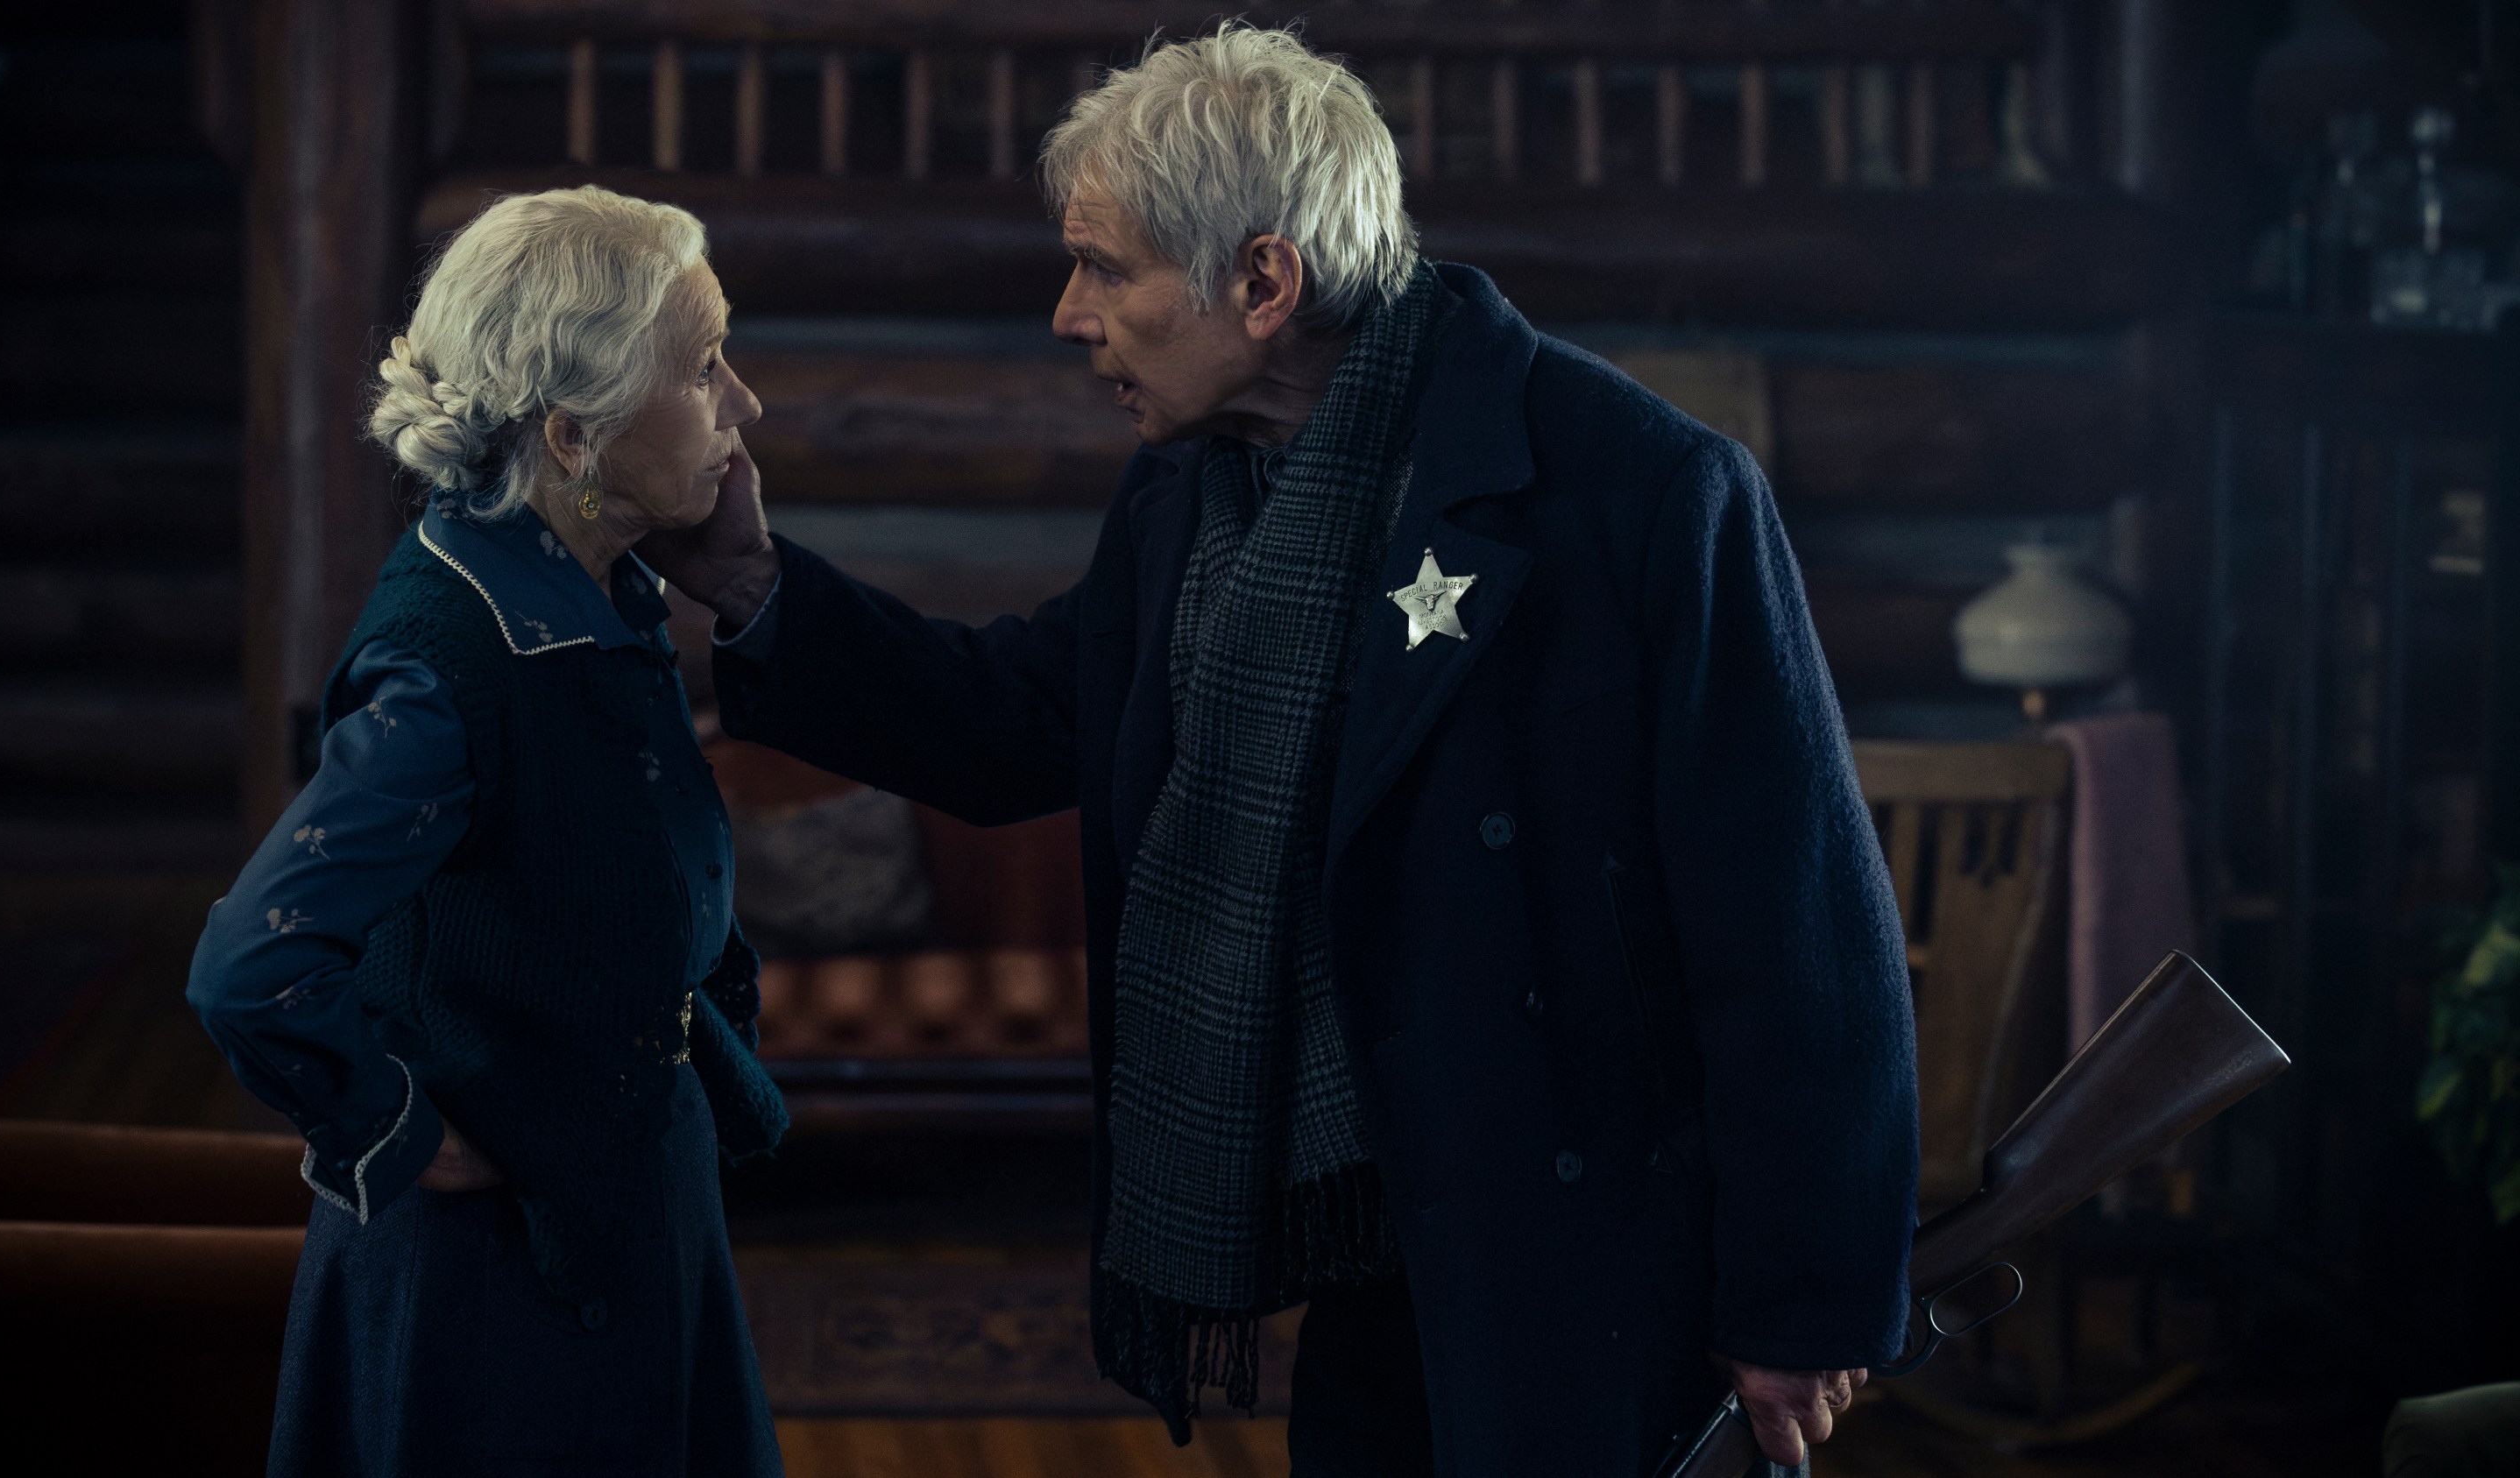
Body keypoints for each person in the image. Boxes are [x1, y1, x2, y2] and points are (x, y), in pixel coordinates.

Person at [649, 25, 1919, 1477]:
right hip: (1363, 1226)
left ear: (1264, 281)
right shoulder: (1191, 493)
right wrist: (752, 587)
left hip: (1587, 1247)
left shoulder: (1643, 492)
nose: (1071, 316)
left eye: (1105, 268)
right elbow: (1020, 721)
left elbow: (1797, 927)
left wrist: (1800, 1302)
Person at [187, 185, 789, 1477]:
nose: (743, 405)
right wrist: (399, 1129)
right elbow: (252, 966)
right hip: (496, 1273)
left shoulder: (600, 583)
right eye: (702, 369)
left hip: (626, 1190)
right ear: (574, 437)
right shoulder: (452, 655)